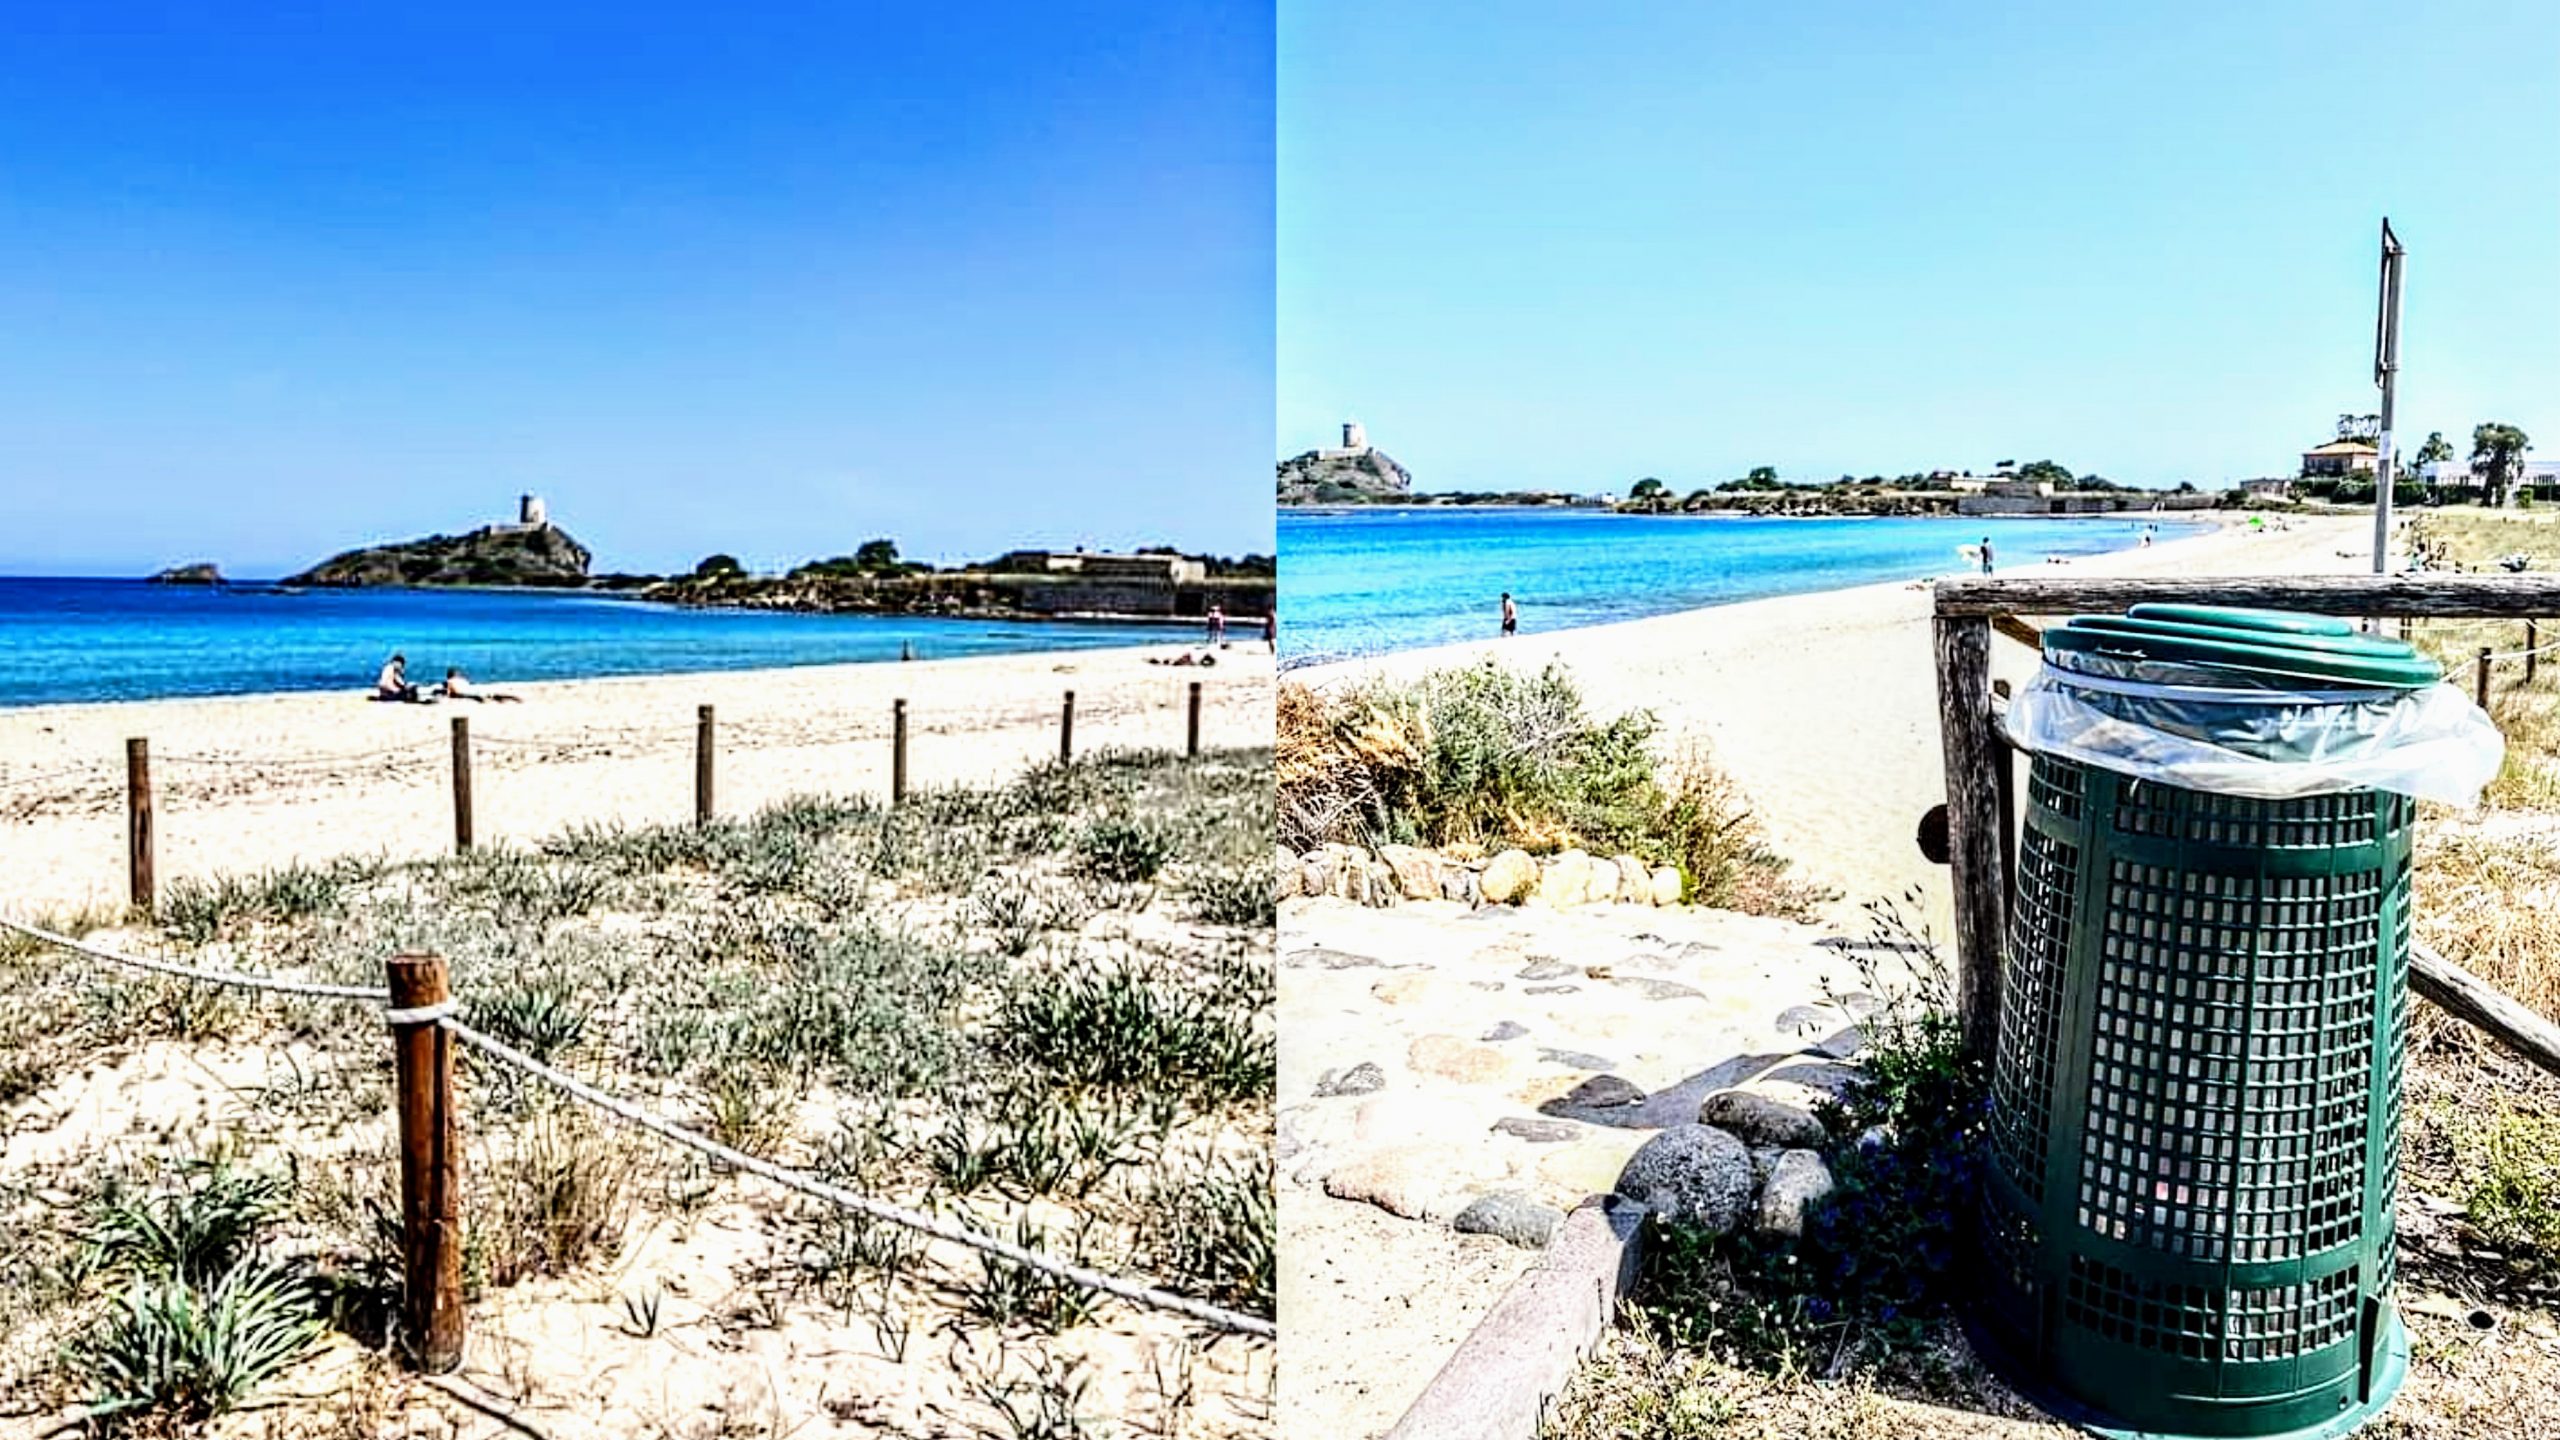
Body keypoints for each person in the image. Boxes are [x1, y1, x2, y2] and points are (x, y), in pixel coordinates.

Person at [441, 668, 521, 703]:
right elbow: (468, 686)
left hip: (463, 693)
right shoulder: (463, 680)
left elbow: (449, 693)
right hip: (471, 689)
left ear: (448, 675)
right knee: (490, 695)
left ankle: (487, 699)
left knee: (476, 696)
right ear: (457, 674)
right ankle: (510, 697)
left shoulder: (449, 681)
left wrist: (446, 694)